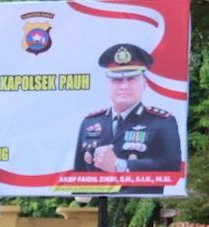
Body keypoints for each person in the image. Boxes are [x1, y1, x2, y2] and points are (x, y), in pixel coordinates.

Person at [73, 44, 182, 195]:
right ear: (107, 84)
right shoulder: (90, 122)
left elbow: (172, 167)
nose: (124, 86)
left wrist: (120, 165)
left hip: (138, 201)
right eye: (116, 80)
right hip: (99, 202)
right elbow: (79, 174)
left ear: (144, 84)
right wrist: (81, 200)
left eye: (131, 79)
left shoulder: (162, 122)